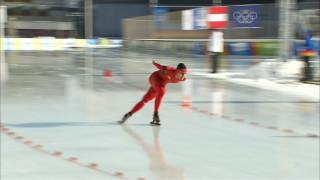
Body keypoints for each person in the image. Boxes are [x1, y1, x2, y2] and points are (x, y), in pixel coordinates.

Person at [119, 61, 187, 125]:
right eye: (181, 73)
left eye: (184, 74)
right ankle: (155, 114)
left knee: (145, 100)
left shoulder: (183, 78)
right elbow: (161, 67)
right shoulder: (171, 70)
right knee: (162, 91)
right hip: (155, 77)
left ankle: (128, 114)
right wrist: (155, 63)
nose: (182, 75)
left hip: (160, 84)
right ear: (177, 71)